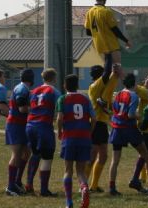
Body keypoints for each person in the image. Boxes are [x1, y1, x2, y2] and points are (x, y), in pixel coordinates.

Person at [107, 73, 148, 196]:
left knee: (115, 160)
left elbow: (114, 110)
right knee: (145, 153)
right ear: (134, 83)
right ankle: (144, 183)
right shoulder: (134, 96)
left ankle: (112, 187)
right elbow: (130, 115)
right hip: (129, 128)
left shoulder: (118, 94)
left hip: (116, 128)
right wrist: (140, 117)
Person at [56, 74, 96, 208]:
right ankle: (84, 187)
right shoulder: (85, 99)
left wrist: (60, 132)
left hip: (70, 138)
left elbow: (60, 118)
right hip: (84, 138)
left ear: (64, 86)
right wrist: (89, 132)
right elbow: (94, 119)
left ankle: (69, 201)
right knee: (80, 171)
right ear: (77, 86)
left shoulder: (62, 99)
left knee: (68, 170)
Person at [25, 68, 61, 196]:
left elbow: (29, 106)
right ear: (53, 78)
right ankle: (44, 190)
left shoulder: (34, 91)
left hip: (30, 125)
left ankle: (29, 184)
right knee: (47, 157)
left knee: (35, 154)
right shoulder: (53, 91)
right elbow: (62, 105)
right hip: (43, 126)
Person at [87, 64, 122, 192]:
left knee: (103, 156)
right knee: (92, 155)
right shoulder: (94, 86)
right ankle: (83, 186)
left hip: (102, 124)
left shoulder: (102, 87)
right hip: (95, 123)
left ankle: (93, 185)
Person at [84, 0, 132, 78]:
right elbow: (115, 29)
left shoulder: (89, 12)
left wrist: (98, 35)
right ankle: (129, 88)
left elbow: (88, 32)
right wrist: (126, 41)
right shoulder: (106, 12)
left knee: (108, 71)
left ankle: (108, 90)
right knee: (118, 69)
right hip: (111, 45)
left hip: (99, 46)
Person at [5, 69, 34, 196]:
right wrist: (36, 108)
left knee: (26, 152)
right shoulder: (22, 89)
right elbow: (22, 108)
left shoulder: (23, 88)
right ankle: (10, 186)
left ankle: (17, 181)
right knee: (16, 155)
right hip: (16, 124)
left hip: (21, 124)